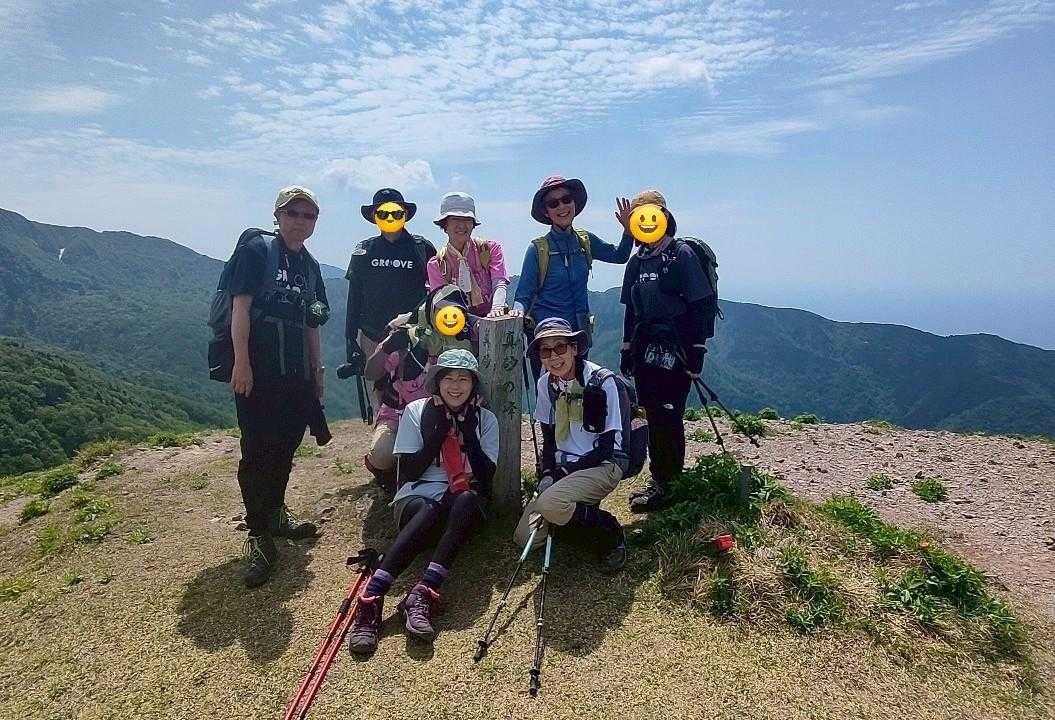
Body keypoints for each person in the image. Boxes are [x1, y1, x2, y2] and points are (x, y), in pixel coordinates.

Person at [348, 349, 499, 654]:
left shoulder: (485, 420)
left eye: (464, 379)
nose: (455, 386)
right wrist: (437, 435)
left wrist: (469, 435)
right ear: (437, 381)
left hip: (461, 511)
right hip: (418, 502)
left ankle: (422, 593)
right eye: (448, 378)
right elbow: (409, 473)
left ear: (474, 385)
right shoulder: (416, 411)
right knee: (431, 508)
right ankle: (372, 597)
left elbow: (486, 478)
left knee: (467, 499)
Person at [226, 186, 328, 588]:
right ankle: (258, 535)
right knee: (256, 451)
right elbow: (240, 308)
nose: (300, 221)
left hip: (296, 374)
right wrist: (241, 363)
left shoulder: (310, 266)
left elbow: (312, 323)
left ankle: (276, 515)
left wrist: (316, 372)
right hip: (259, 370)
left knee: (285, 446)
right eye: (293, 213)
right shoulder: (256, 251)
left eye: (308, 215)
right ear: (278, 215)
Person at [620, 190, 712, 511]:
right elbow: (631, 310)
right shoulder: (637, 261)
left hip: (678, 350)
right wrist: (627, 348)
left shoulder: (681, 255)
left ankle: (669, 485)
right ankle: (661, 480)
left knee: (669, 416)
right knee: (653, 413)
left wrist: (697, 351)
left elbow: (702, 305)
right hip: (645, 350)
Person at [512, 318, 627, 572]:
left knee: (550, 505)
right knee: (524, 538)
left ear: (574, 348)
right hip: (565, 466)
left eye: (560, 347)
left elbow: (606, 448)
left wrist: (563, 473)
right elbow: (549, 439)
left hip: (603, 464)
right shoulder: (546, 384)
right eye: (545, 351)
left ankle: (608, 532)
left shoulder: (601, 382)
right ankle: (577, 516)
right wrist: (548, 473)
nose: (554, 357)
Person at [512, 176, 634, 375]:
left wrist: (628, 231)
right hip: (548, 338)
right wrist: (516, 313)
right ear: (546, 212)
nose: (561, 206)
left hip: (579, 336)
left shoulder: (585, 241)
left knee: (579, 388)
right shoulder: (538, 249)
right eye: (553, 203)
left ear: (574, 203)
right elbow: (523, 295)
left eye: (566, 199)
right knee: (549, 389)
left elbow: (620, 256)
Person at [361, 285, 475, 492]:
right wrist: (388, 347)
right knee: (382, 454)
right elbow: (371, 373)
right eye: (442, 309)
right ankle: (385, 472)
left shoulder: (465, 340)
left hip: (444, 417)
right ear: (430, 310)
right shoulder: (407, 334)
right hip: (398, 415)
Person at [344, 188, 436, 406]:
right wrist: (350, 339)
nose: (390, 217)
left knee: (416, 394)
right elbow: (354, 295)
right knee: (381, 398)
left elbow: (435, 291)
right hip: (372, 334)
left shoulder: (422, 248)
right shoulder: (364, 250)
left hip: (413, 335)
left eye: (396, 212)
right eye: (383, 213)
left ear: (404, 214)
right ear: (375, 216)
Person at [426, 192, 510, 317]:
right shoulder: (436, 264)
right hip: (457, 321)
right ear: (445, 225)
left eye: (467, 220)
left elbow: (499, 282)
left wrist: (497, 308)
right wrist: (474, 322)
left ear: (473, 225)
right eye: (455, 219)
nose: (461, 225)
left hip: (495, 317)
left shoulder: (490, 249)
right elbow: (442, 303)